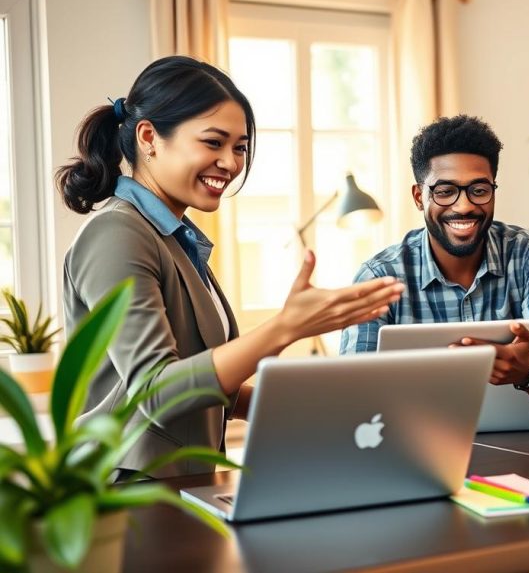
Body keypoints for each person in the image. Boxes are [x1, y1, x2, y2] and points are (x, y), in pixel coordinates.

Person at [57, 56, 405, 479]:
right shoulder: (117, 232)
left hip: (181, 482)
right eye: (213, 142)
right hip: (128, 493)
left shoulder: (174, 237)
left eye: (239, 147)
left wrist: (287, 411)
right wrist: (286, 328)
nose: (231, 162)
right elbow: (155, 392)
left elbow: (198, 378)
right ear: (149, 137)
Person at [340, 115, 529, 393]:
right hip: (407, 436)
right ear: (419, 197)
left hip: (520, 437)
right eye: (445, 191)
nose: (464, 206)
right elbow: (352, 387)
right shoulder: (379, 277)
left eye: (479, 190)